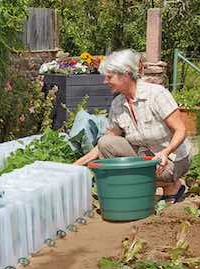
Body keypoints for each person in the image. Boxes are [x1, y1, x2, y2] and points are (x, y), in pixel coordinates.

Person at [74, 49, 192, 203]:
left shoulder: (156, 94)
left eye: (109, 77)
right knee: (106, 143)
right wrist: (75, 166)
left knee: (159, 172)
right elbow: (107, 141)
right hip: (146, 156)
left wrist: (166, 151)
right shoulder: (118, 103)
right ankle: (135, 186)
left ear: (125, 75)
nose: (105, 81)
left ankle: (171, 184)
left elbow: (180, 129)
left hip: (171, 159)